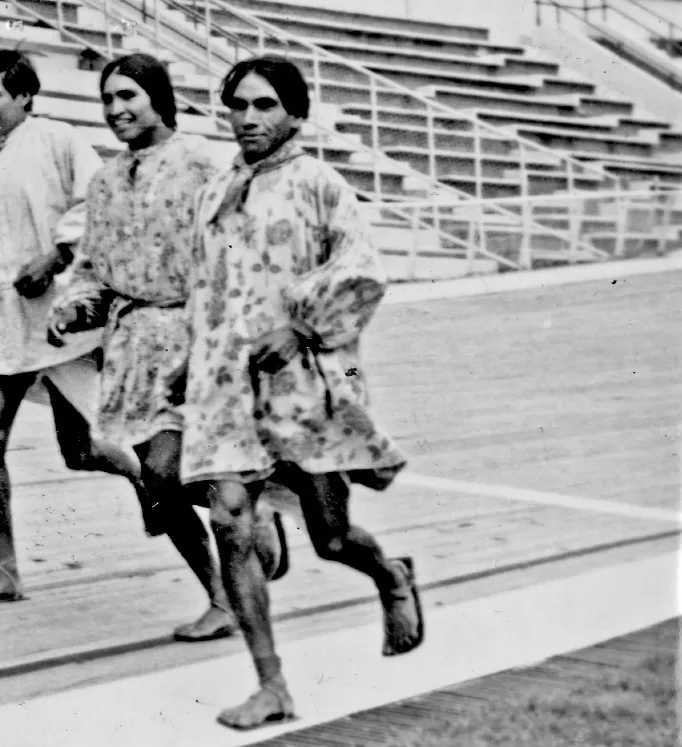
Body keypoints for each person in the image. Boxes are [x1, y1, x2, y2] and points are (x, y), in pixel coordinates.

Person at [171, 55, 425, 730]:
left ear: (295, 114)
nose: (248, 118)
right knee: (230, 522)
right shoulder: (216, 191)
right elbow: (203, 284)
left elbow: (362, 270)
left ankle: (390, 574)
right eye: (238, 105)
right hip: (225, 382)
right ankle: (272, 684)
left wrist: (301, 326)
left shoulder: (320, 184)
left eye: (264, 105)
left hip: (304, 382)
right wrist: (187, 359)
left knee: (332, 537)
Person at [47, 54, 289, 642]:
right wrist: (77, 304)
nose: (116, 109)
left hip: (201, 338)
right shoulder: (105, 182)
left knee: (168, 468)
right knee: (158, 485)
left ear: (158, 97)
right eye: (108, 99)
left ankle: (249, 521)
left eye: (127, 95)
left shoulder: (204, 162)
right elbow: (94, 267)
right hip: (133, 349)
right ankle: (221, 591)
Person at [0, 48, 145, 606]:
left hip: (65, 319)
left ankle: (146, 481)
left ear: (24, 96)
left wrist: (56, 257)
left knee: (81, 451)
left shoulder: (59, 140)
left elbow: (97, 203)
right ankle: (5, 569)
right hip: (2, 318)